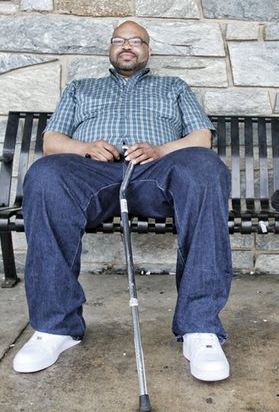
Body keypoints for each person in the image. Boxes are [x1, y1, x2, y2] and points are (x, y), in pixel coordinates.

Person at [12, 21, 233, 382]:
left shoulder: (173, 87)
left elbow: (200, 136)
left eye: (136, 41)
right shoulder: (81, 89)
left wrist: (161, 150)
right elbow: (52, 140)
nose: (126, 45)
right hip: (92, 176)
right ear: (111, 48)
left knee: (206, 169)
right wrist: (84, 148)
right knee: (46, 174)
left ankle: (200, 329)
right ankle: (55, 328)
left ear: (148, 50)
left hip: (155, 173)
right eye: (119, 40)